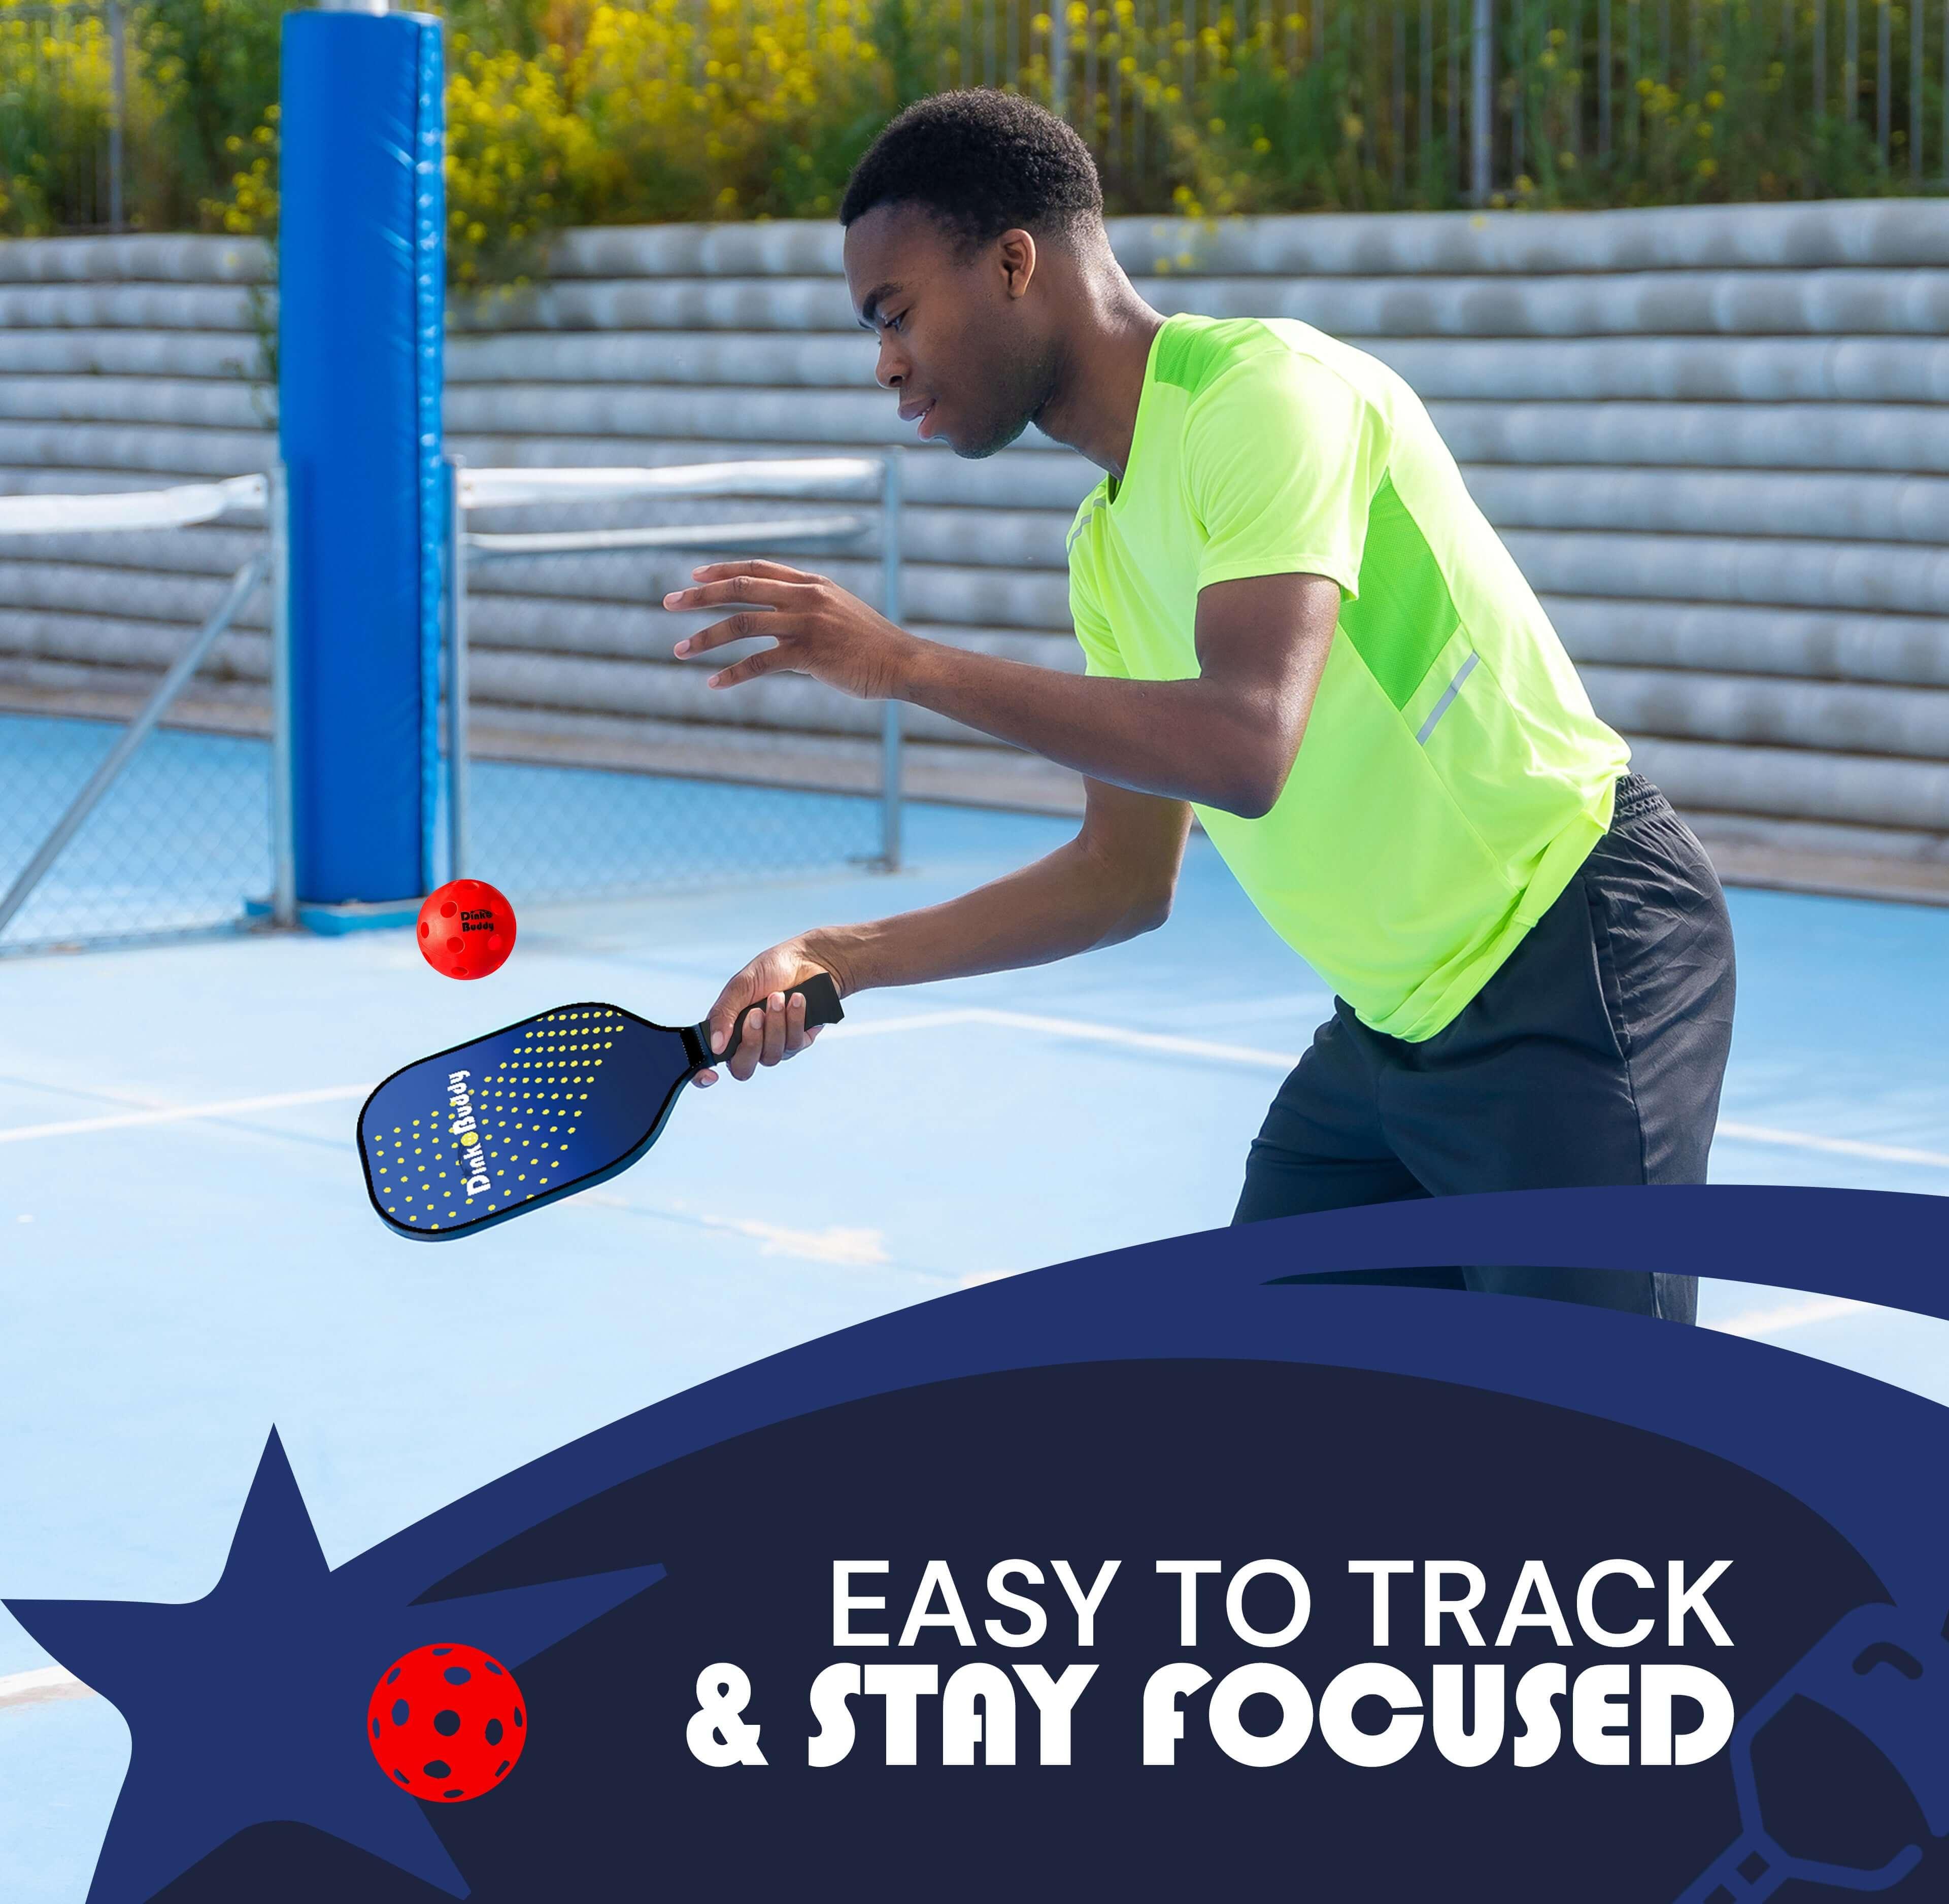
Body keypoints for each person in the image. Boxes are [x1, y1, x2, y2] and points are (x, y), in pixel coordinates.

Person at [658, 89, 1735, 1322]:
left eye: (895, 313)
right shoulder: (1105, 551)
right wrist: (841, 958)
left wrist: (905, 665)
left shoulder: (1264, 399)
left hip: (1570, 954)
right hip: (1394, 1032)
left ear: (1016, 261)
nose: (886, 362)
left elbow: (1244, 744)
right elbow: (1124, 878)